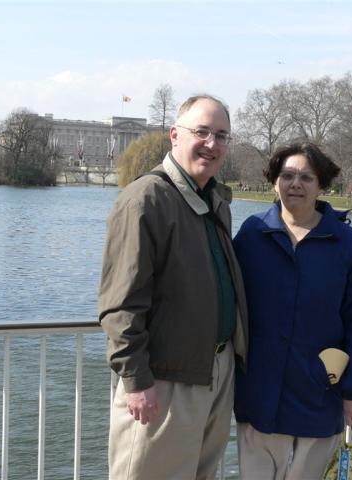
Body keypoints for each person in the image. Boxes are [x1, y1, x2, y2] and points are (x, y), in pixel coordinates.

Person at [98, 94, 248, 480]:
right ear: (174, 136)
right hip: (164, 382)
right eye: (201, 132)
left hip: (214, 371)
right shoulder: (145, 200)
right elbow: (120, 304)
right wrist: (136, 380)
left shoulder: (215, 199)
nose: (212, 144)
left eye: (221, 135)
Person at [233, 142, 352, 479]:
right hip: (259, 394)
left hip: (318, 393)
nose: (295, 184)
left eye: (306, 177)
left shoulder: (348, 245)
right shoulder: (252, 235)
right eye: (287, 175)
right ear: (275, 182)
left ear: (322, 185)